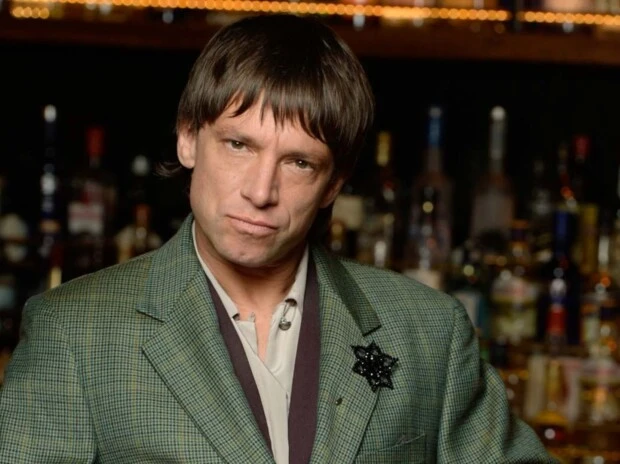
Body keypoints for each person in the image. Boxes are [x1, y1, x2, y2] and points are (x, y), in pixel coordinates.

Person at [0, 13, 557, 464]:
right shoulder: (74, 333)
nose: (260, 191)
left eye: (298, 162)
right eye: (238, 146)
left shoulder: (429, 331)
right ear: (189, 139)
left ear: (333, 183)